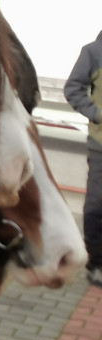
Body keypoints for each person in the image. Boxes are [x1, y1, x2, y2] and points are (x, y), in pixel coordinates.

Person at [64, 30, 102, 287]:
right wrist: (96, 114)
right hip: (101, 146)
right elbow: (73, 88)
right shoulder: (93, 51)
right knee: (96, 208)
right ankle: (97, 264)